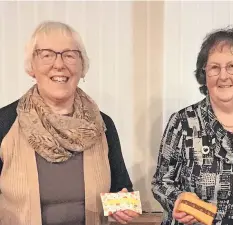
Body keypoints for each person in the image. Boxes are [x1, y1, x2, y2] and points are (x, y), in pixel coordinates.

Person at [0, 21, 138, 225]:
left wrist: (124, 206)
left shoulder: (103, 124)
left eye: (70, 55)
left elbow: (121, 190)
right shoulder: (5, 122)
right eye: (47, 55)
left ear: (82, 67)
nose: (59, 64)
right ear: (32, 67)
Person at [151, 27, 233, 225]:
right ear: (204, 74)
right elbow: (161, 183)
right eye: (214, 67)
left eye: (232, 66)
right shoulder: (183, 122)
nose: (223, 76)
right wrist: (176, 200)